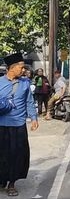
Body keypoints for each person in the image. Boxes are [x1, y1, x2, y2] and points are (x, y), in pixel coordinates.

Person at [0, 53, 39, 197]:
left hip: (18, 125)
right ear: (12, 68)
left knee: (17, 155)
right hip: (1, 125)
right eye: (21, 67)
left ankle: (12, 183)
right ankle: (2, 179)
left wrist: (34, 118)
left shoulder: (25, 83)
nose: (24, 70)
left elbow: (29, 102)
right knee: (2, 155)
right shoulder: (0, 82)